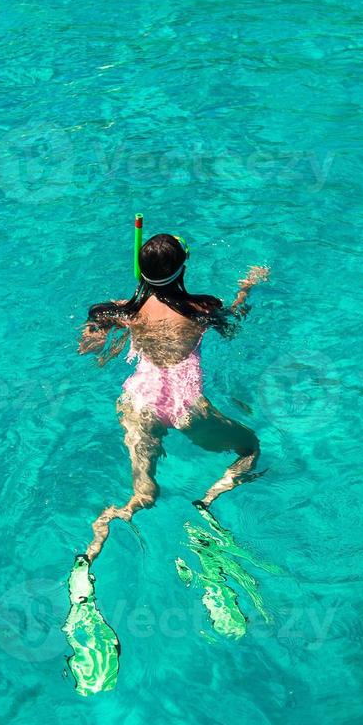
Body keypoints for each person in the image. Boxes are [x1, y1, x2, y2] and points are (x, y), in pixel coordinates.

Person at [76, 233, 268, 566]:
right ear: (182, 269)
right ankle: (208, 500)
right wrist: (247, 288)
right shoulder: (203, 307)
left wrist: (93, 333)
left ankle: (108, 526)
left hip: (139, 401)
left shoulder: (126, 311)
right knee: (250, 448)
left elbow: (96, 315)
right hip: (187, 406)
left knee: (144, 494)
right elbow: (234, 320)